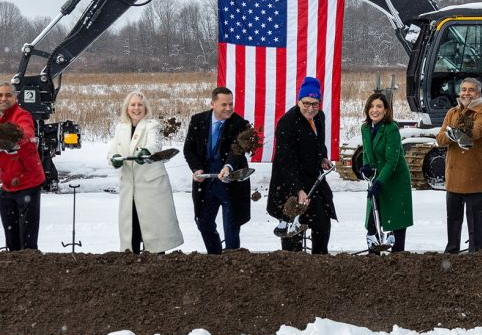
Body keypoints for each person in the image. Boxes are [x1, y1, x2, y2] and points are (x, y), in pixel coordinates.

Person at [267, 76, 336, 254]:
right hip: (288, 180)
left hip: (312, 178)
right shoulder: (287, 123)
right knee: (292, 228)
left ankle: (319, 260)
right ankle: (292, 266)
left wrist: (323, 157)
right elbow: (285, 160)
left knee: (322, 221)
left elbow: (319, 143)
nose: (310, 108)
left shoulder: (319, 116)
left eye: (315, 104)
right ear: (299, 101)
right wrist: (297, 189)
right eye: (306, 103)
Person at [108, 91, 183, 254]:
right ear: (127, 108)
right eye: (133, 105)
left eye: (140, 105)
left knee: (154, 231)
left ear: (145, 107)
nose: (136, 108)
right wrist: (114, 158)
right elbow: (112, 151)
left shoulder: (152, 125)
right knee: (132, 227)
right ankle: (132, 262)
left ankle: (156, 265)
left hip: (151, 186)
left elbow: (155, 144)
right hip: (130, 186)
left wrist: (145, 151)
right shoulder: (121, 128)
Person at [183, 86, 251, 254]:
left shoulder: (240, 124)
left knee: (231, 227)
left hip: (230, 184)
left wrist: (228, 166)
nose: (228, 108)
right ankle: (215, 258)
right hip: (206, 184)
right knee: (204, 224)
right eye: (224, 105)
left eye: (231, 104)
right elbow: (189, 149)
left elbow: (237, 150)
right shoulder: (198, 120)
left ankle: (232, 261)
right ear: (212, 104)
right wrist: (197, 169)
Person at [0, 82, 46, 251]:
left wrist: (15, 140)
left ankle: (30, 269)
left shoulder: (22, 115)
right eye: (0, 95)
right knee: (11, 237)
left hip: (28, 183)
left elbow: (26, 133)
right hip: (8, 184)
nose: (3, 98)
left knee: (28, 239)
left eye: (8, 95)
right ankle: (13, 269)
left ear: (15, 98)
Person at [435, 78, 482, 253]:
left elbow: (474, 133)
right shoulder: (451, 112)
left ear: (478, 93)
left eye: (471, 90)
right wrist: (452, 135)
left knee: (475, 227)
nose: (467, 93)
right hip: (453, 180)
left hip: (475, 179)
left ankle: (475, 256)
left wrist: (454, 131)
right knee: (453, 223)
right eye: (464, 89)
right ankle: (451, 254)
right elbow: (440, 139)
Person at [359, 92, 413, 253]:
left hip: (395, 179)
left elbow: (392, 160)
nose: (374, 110)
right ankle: (373, 256)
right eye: (371, 106)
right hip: (378, 178)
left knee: (395, 220)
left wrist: (379, 182)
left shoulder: (391, 129)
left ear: (386, 110)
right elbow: (366, 152)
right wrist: (366, 166)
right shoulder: (366, 128)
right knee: (372, 221)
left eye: (379, 106)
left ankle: (397, 258)